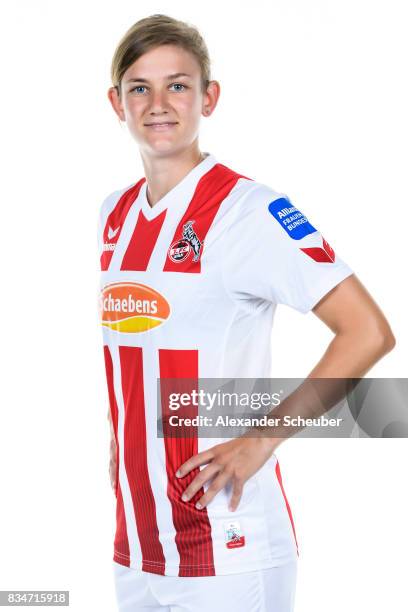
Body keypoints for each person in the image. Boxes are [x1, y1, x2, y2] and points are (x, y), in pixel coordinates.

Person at [97, 13, 396, 612]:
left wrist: (263, 438)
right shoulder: (116, 213)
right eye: (140, 87)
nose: (158, 103)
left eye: (177, 85)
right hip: (138, 540)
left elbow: (367, 331)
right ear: (117, 102)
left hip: (227, 546)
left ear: (209, 97)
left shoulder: (248, 212)